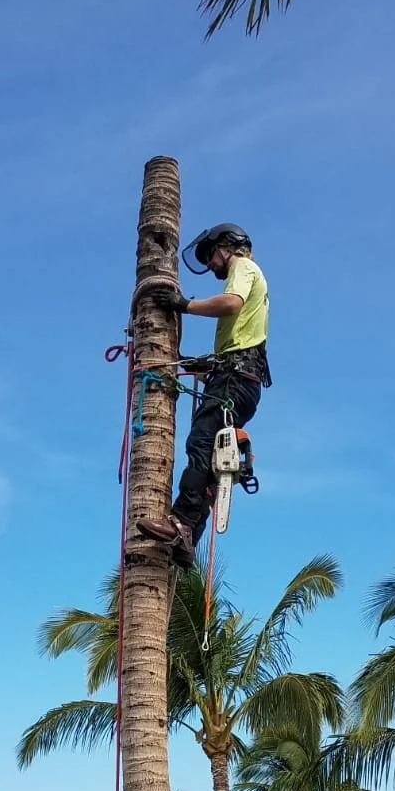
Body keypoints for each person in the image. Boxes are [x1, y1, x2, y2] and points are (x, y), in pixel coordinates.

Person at [138, 222, 270, 567]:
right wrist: (209, 363)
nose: (211, 265)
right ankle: (187, 537)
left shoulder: (243, 267)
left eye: (211, 256)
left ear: (227, 246)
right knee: (212, 459)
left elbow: (230, 303)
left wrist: (184, 305)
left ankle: (181, 521)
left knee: (200, 442)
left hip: (234, 379)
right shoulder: (251, 275)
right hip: (240, 378)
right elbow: (242, 337)